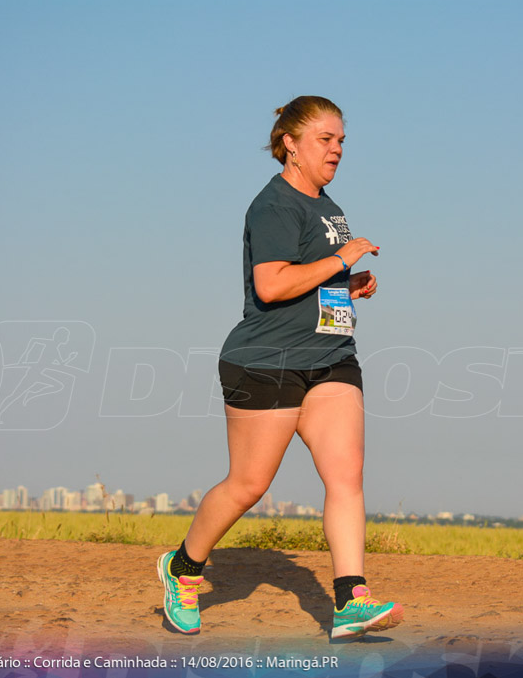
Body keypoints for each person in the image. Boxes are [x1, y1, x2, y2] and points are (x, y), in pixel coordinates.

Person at [157, 95, 403, 640]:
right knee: (248, 485)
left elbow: (308, 279)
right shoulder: (274, 205)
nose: (337, 149)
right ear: (290, 144)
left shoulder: (327, 206)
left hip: (331, 358)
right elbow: (270, 284)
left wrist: (348, 287)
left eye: (341, 140)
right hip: (266, 362)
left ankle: (350, 601)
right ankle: (182, 569)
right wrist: (341, 260)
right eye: (325, 139)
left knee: (346, 476)